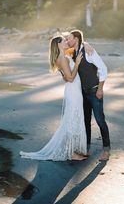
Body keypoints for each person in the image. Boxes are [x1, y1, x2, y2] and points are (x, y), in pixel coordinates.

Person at [19, 36, 87, 161]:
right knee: (72, 120)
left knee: (73, 119)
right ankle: (71, 153)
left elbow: (66, 78)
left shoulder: (63, 57)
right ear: (58, 45)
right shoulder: (62, 59)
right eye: (64, 41)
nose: (66, 42)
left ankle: (73, 150)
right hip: (73, 92)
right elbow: (71, 78)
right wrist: (77, 63)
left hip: (74, 90)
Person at [67, 30, 111, 161]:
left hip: (94, 91)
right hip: (82, 93)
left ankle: (106, 150)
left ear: (75, 39)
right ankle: (86, 149)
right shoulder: (70, 52)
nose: (67, 40)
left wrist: (100, 89)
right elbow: (62, 55)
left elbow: (103, 69)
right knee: (85, 121)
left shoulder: (89, 51)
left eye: (69, 38)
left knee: (100, 120)